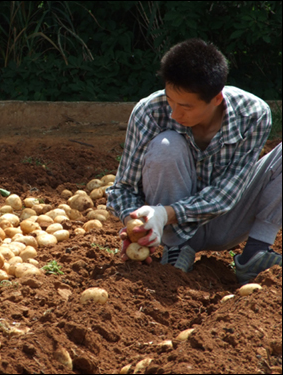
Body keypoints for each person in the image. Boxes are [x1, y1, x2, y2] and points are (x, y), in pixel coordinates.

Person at [106, 38, 282, 285]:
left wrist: (164, 213)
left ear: (217, 98)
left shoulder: (253, 114)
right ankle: (177, 248)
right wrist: (137, 223)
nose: (175, 114)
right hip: (169, 232)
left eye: (186, 106)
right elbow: (123, 188)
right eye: (170, 100)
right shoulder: (149, 111)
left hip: (227, 221)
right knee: (166, 145)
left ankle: (255, 252)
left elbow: (225, 195)